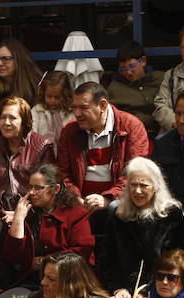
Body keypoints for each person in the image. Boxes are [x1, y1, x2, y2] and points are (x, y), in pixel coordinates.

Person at [57, 82, 148, 225]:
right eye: (74, 107)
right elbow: (63, 173)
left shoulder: (131, 126)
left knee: (114, 209)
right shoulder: (69, 132)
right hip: (80, 201)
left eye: (84, 108)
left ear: (103, 105)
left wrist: (108, 198)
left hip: (118, 201)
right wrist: (76, 199)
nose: (76, 113)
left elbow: (135, 173)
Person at [101, 156, 184, 298]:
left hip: (160, 289)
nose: (137, 191)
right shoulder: (119, 215)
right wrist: (119, 288)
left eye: (144, 185)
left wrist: (147, 292)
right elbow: (108, 258)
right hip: (122, 290)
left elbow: (174, 262)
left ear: (156, 186)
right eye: (133, 185)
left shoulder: (171, 215)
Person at [3, 164, 94, 289]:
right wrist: (18, 219)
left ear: (56, 189)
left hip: (68, 283)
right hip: (30, 282)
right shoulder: (28, 213)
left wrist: (43, 262)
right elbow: (12, 256)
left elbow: (80, 252)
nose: (31, 192)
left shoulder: (76, 214)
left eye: (38, 188)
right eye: (30, 187)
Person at [0, 96, 56, 214]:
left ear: (24, 121)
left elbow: (48, 190)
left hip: (31, 216)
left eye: (12, 118)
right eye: (3, 117)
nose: (6, 122)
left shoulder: (42, 146)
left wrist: (21, 214)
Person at [107, 41, 165, 141]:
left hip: (163, 134)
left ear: (143, 61)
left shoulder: (161, 79)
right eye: (123, 68)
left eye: (132, 66)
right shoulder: (115, 88)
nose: (128, 72)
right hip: (131, 137)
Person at [31, 71, 75, 150]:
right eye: (49, 96)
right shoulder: (37, 111)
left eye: (57, 97)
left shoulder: (70, 112)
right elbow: (32, 134)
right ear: (43, 93)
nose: (52, 100)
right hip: (42, 153)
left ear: (65, 95)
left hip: (66, 153)